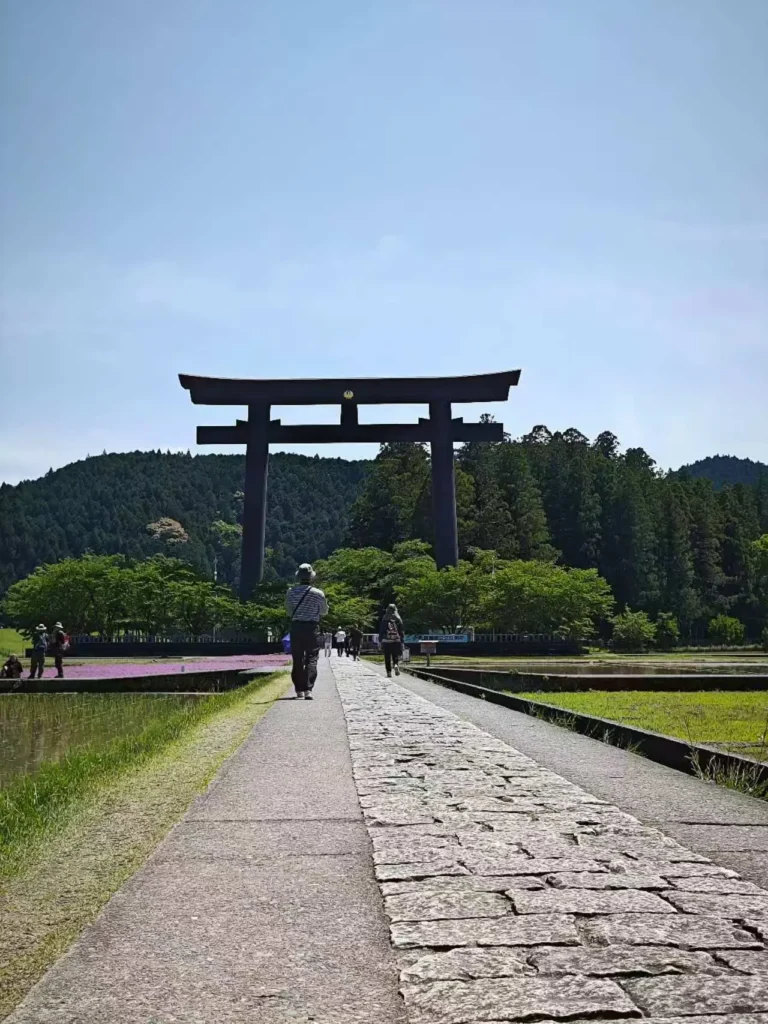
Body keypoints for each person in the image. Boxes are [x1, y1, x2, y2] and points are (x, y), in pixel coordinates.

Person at [285, 563, 328, 700]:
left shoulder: (291, 592)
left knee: (297, 658)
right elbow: (324, 611)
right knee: (312, 658)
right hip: (312, 628)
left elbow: (289, 611)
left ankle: (299, 690)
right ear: (311, 577)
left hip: (296, 627)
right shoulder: (318, 593)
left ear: (298, 577)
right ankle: (309, 689)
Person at [379, 604, 405, 678]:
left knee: (387, 657)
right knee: (395, 655)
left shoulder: (384, 618)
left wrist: (380, 641)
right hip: (396, 640)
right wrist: (402, 641)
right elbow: (401, 631)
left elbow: (381, 630)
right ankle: (396, 665)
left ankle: (389, 672)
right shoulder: (398, 618)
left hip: (386, 640)